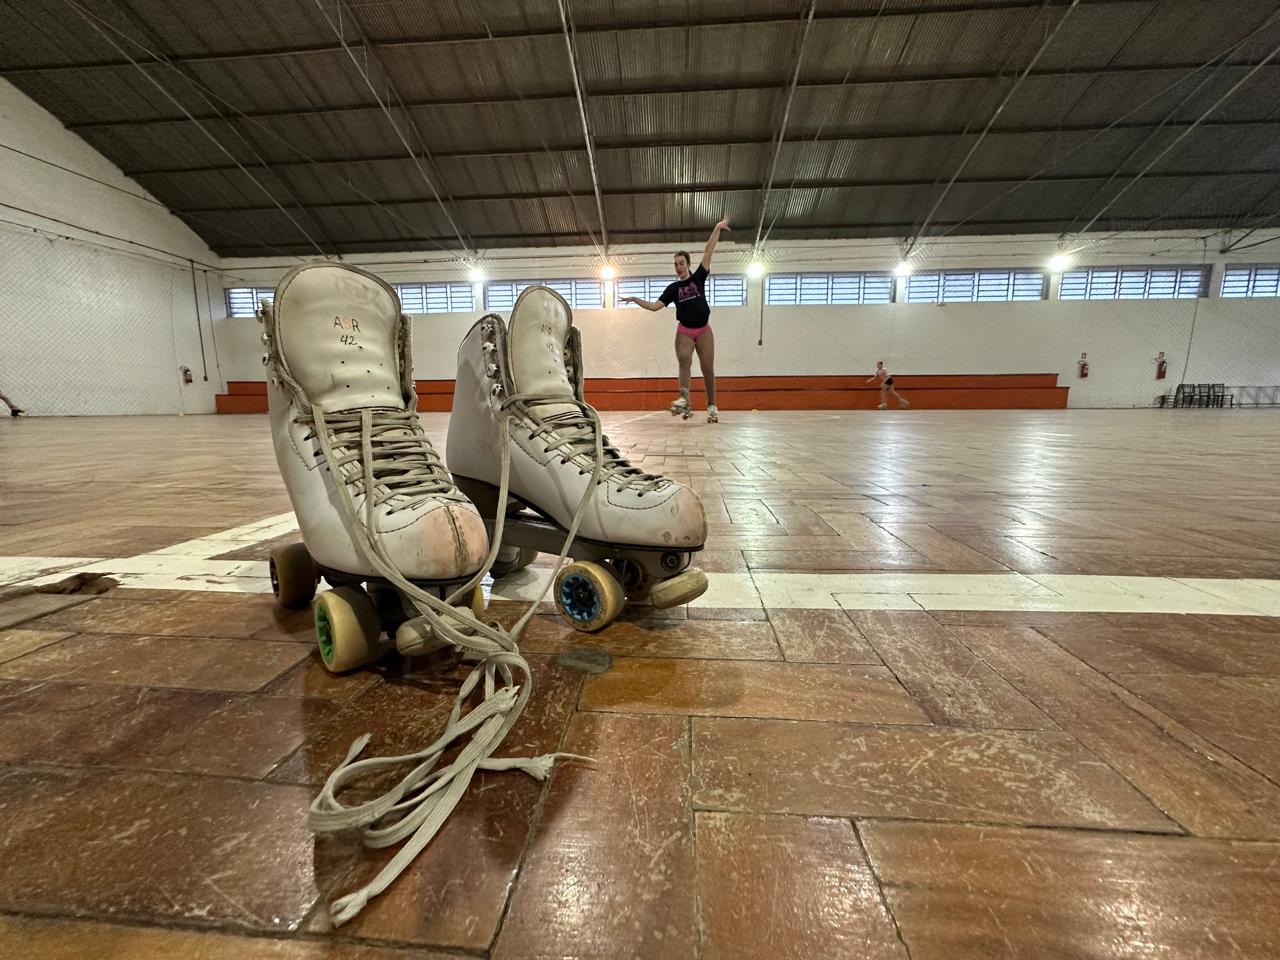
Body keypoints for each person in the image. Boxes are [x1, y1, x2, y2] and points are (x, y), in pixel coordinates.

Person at [622, 219, 729, 423]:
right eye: (676, 265)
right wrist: (636, 299)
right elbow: (655, 307)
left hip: (704, 329)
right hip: (685, 331)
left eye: (681, 263)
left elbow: (709, 250)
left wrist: (717, 228)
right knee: (684, 360)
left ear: (688, 264)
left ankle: (712, 405)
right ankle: (685, 399)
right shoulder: (673, 289)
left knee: (707, 367)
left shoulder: (698, 277)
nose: (678, 267)